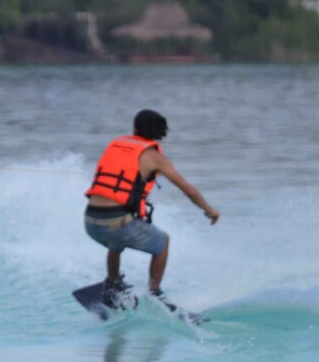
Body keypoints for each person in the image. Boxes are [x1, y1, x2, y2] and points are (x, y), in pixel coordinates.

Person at [84, 109, 219, 308]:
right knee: (162, 242)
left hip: (90, 223)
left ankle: (112, 284)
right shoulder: (155, 158)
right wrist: (209, 210)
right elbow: (189, 190)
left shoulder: (115, 145)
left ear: (135, 128)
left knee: (116, 241)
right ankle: (154, 293)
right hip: (117, 224)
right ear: (160, 133)